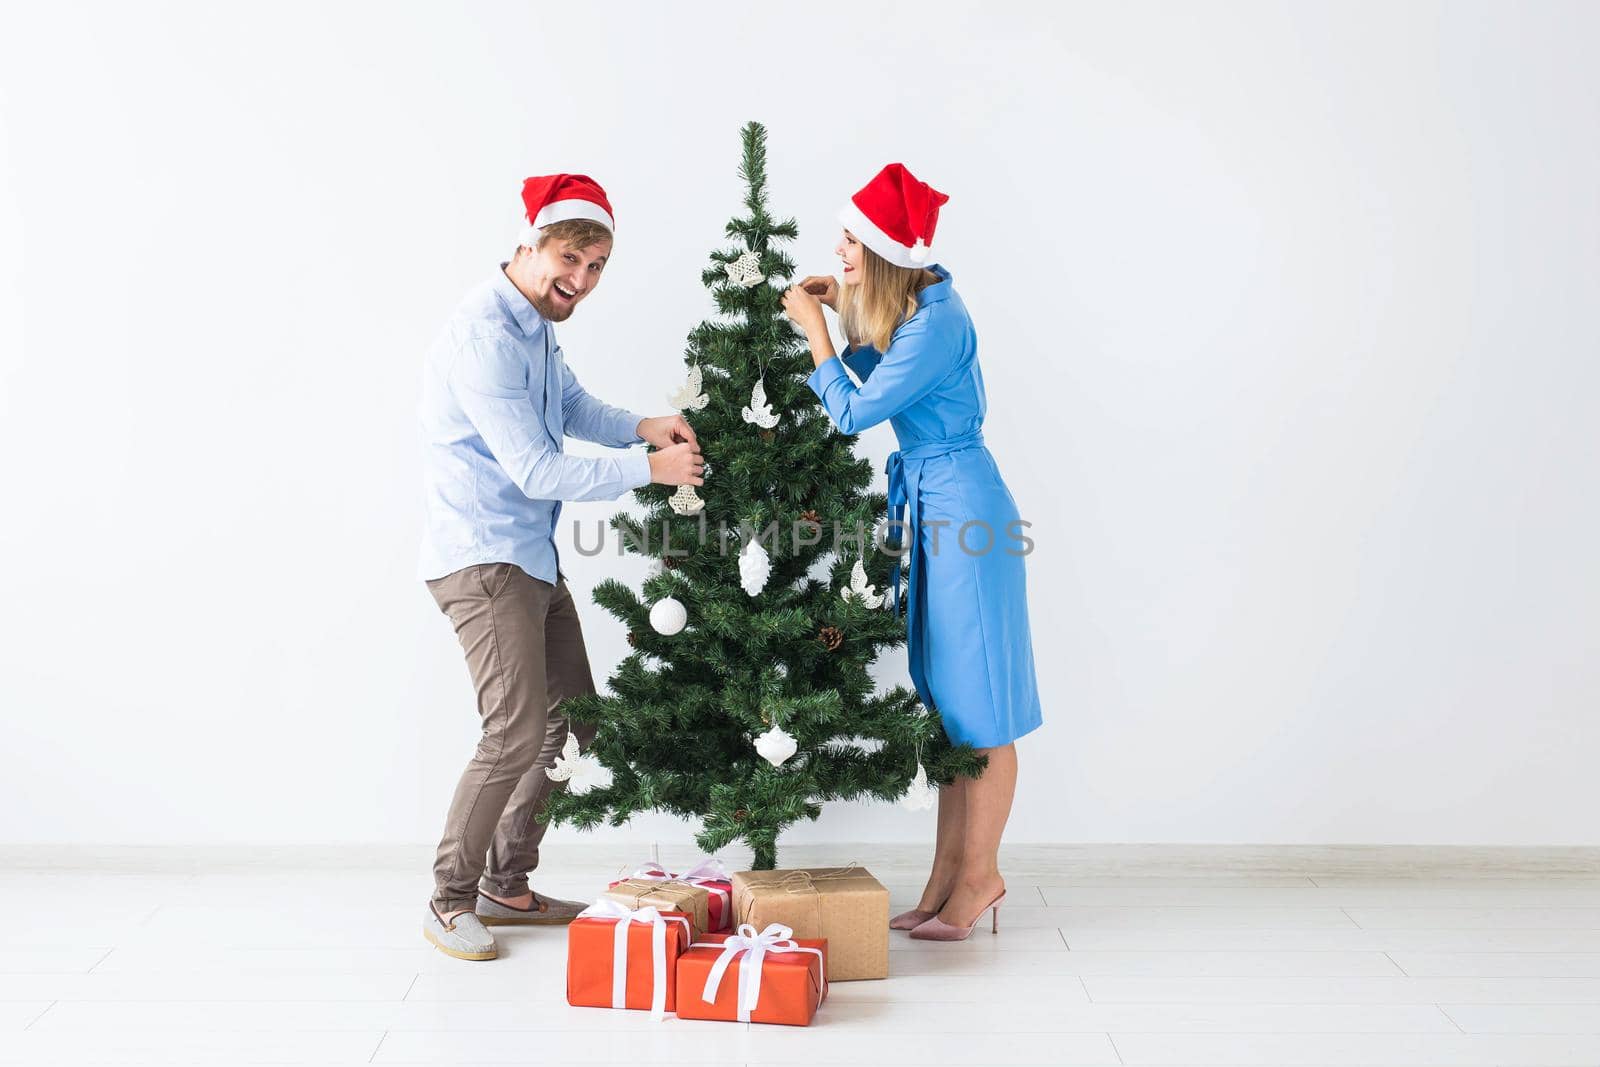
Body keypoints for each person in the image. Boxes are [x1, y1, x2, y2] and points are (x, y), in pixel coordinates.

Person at [417, 173, 704, 960]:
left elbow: (571, 407)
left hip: (530, 556)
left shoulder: (535, 327)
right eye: (570, 258)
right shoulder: (485, 335)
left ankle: (506, 883)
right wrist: (650, 470)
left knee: (575, 717)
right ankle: (448, 899)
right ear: (530, 244)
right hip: (483, 558)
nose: (580, 280)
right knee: (511, 733)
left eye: (596, 265)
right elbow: (538, 471)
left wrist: (642, 424)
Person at [781, 163, 1043, 941]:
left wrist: (816, 332)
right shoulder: (919, 310)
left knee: (983, 709)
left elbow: (854, 410)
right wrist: (847, 315)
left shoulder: (937, 324)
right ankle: (943, 877)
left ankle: (981, 878)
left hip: (963, 512)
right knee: (950, 707)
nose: (840, 252)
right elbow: (885, 370)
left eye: (853, 241)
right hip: (932, 505)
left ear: (887, 250)